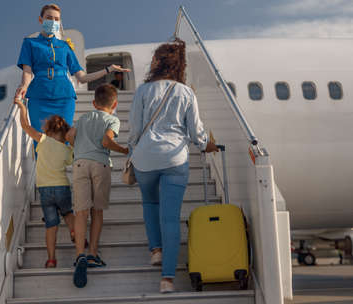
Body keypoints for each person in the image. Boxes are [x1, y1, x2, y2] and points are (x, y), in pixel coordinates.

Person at [127, 38, 219, 293]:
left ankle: (155, 249)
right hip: (175, 159)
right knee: (170, 218)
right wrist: (205, 145)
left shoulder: (143, 91)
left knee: (149, 202)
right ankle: (167, 279)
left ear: (157, 63)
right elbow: (196, 132)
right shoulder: (186, 92)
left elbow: (134, 129)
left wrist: (132, 149)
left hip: (146, 158)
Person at [15, 3, 130, 143]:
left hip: (64, 97)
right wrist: (24, 85)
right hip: (39, 97)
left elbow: (82, 77)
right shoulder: (29, 43)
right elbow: (27, 71)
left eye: (56, 19)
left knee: (64, 142)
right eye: (49, 18)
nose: (53, 22)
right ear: (41, 20)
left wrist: (108, 69)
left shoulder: (65, 47)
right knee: (40, 141)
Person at [65, 84, 129, 288]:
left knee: (81, 212)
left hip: (80, 163)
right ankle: (93, 253)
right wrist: (124, 150)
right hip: (100, 165)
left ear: (93, 103)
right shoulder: (113, 119)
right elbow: (106, 141)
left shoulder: (84, 118)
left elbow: (68, 136)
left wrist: (81, 148)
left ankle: (79, 256)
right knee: (97, 212)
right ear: (115, 104)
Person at [14, 97, 76, 268]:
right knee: (68, 213)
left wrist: (21, 107)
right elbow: (73, 160)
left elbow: (25, 126)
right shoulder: (67, 149)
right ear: (64, 133)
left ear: (48, 129)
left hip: (44, 190)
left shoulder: (42, 139)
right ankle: (74, 233)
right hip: (62, 187)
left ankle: (51, 259)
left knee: (51, 225)